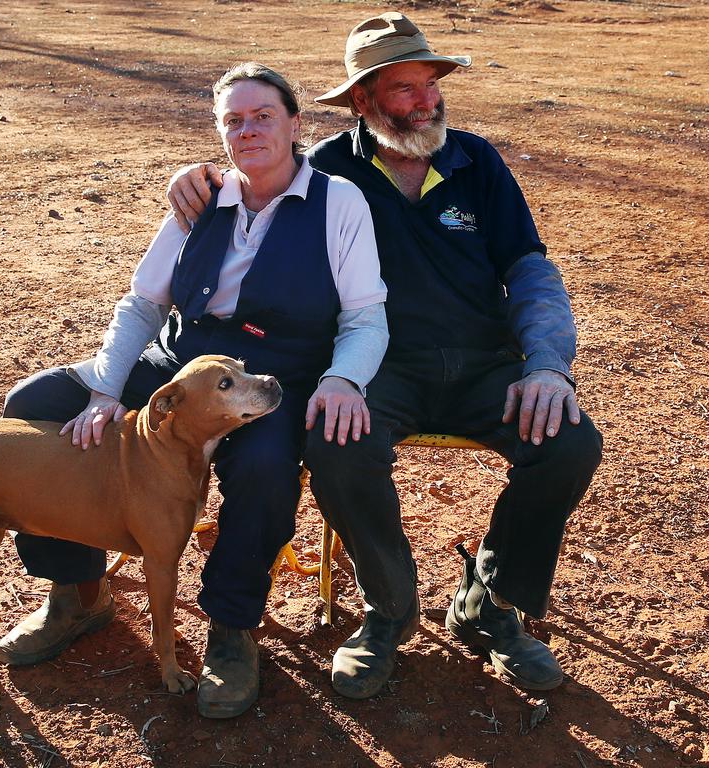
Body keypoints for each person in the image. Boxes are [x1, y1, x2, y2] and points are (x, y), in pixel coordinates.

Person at [166, 13, 603, 701]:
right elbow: (254, 179)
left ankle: (489, 604)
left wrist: (547, 363)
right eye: (404, 89)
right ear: (364, 100)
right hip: (381, 367)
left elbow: (531, 270)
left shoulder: (475, 162)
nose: (427, 100)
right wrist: (195, 181)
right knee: (336, 443)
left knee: (570, 443)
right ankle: (389, 611)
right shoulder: (331, 169)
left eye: (429, 84)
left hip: (487, 364)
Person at [0, 62, 388, 719]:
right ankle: (77, 589)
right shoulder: (200, 197)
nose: (248, 129)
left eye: (263, 115)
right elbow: (143, 302)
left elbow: (366, 315)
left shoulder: (338, 203)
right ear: (219, 133)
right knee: (33, 406)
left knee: (264, 468)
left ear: (296, 125)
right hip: (182, 365)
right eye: (232, 120)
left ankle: (232, 630)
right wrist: (105, 388)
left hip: (271, 377)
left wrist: (344, 378)